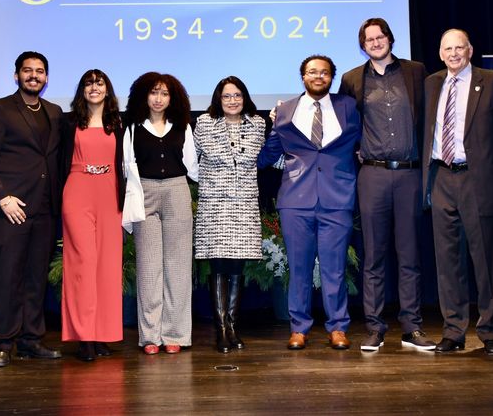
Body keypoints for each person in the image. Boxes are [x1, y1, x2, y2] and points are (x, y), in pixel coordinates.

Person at [422, 29, 493, 355]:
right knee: (447, 263)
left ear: (470, 50)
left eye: (459, 48)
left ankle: (491, 334)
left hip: (479, 181)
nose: (453, 54)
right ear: (440, 53)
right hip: (441, 178)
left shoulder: (492, 81)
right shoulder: (432, 83)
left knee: (486, 262)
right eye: (447, 49)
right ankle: (453, 331)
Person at [339, 17, 435, 352]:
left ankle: (412, 327)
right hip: (373, 175)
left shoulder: (416, 71)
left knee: (409, 255)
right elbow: (345, 125)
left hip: (410, 174)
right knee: (373, 257)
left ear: (390, 39)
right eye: (369, 39)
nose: (376, 42)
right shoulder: (352, 79)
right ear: (362, 45)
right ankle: (375, 328)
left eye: (380, 37)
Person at [257, 55, 361, 351]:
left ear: (331, 77)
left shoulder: (349, 107)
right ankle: (299, 328)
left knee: (335, 269)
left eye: (325, 72)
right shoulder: (285, 110)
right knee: (299, 268)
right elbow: (270, 152)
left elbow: (363, 143)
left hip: (337, 197)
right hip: (295, 200)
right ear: (303, 76)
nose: (319, 76)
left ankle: (338, 327)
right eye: (313, 72)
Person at [0, 51, 63, 367]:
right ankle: (3, 342)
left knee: (36, 277)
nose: (33, 76)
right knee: (8, 276)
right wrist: (2, 197)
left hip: (45, 208)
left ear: (47, 78)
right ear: (16, 76)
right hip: (12, 208)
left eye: (39, 71)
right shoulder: (0, 110)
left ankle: (30, 340)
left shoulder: (54, 111)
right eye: (27, 71)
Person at [122, 72, 198, 355]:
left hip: (177, 191)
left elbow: (193, 168)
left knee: (178, 267)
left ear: (172, 98)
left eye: (164, 93)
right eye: (154, 92)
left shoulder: (182, 127)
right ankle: (150, 336)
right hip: (144, 193)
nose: (158, 98)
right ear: (144, 95)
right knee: (149, 267)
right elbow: (126, 167)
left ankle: (175, 333)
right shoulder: (131, 128)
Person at [194, 76, 266, 353]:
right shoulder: (204, 124)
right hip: (214, 204)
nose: (233, 101)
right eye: (227, 96)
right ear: (218, 99)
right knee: (218, 266)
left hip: (244, 203)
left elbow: (261, 158)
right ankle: (221, 329)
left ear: (245, 97)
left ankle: (233, 325)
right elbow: (193, 159)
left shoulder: (258, 124)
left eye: (237, 95)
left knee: (236, 267)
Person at [60, 69, 125, 362]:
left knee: (108, 267)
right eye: (89, 83)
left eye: (99, 83)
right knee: (82, 263)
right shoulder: (69, 122)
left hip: (110, 194)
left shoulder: (118, 124)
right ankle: (83, 336)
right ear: (82, 90)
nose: (94, 87)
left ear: (108, 90)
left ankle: (102, 334)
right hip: (78, 191)